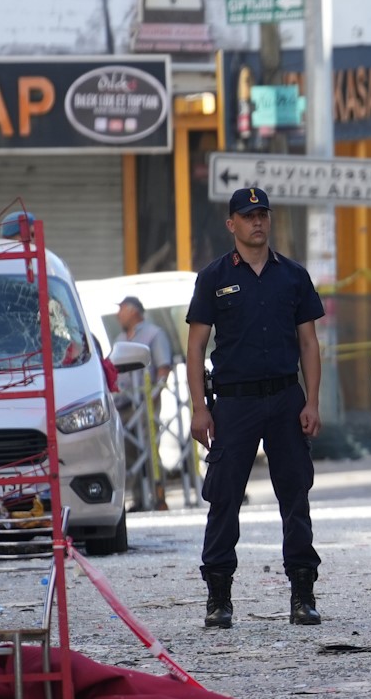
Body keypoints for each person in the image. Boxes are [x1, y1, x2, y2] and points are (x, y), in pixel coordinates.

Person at [185, 186, 326, 630]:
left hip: (285, 398)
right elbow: (196, 346)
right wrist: (198, 407)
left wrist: (313, 401)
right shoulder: (212, 277)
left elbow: (308, 342)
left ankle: (303, 594)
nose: (257, 222)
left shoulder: (294, 276)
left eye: (262, 214)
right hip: (234, 401)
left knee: (295, 496)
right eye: (247, 216)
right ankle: (218, 598)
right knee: (224, 498)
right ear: (232, 224)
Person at [116, 297, 175, 380]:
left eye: (121, 309)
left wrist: (155, 392)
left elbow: (163, 368)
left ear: (133, 311)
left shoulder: (154, 334)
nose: (118, 314)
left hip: (146, 392)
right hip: (121, 392)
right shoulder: (120, 339)